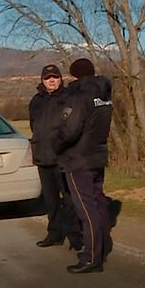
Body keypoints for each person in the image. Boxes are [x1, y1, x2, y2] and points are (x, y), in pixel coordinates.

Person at [54, 58, 113, 274]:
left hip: (78, 159)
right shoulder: (104, 96)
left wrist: (56, 144)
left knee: (86, 209)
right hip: (97, 156)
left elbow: (69, 129)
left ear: (75, 75)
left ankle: (91, 257)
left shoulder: (79, 97)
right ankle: (101, 248)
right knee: (99, 204)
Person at [29, 65, 82, 250]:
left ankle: (76, 236)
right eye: (47, 78)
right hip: (43, 157)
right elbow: (34, 125)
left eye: (55, 77)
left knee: (69, 199)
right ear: (42, 80)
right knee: (50, 200)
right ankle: (54, 234)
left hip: (63, 158)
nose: (51, 80)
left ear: (60, 79)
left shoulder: (69, 98)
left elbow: (73, 127)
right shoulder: (36, 101)